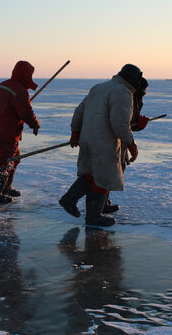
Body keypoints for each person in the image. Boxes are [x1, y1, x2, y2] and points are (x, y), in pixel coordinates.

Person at [59, 64, 143, 226]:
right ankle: (92, 216)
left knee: (91, 173)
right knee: (104, 177)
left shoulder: (99, 87)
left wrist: (75, 132)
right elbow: (119, 123)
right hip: (104, 142)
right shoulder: (123, 92)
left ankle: (70, 199)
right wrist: (131, 143)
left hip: (87, 138)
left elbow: (79, 112)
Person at [0, 61, 40, 204]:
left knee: (15, 158)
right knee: (6, 162)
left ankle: (6, 188)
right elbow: (26, 113)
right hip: (6, 131)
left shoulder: (3, 85)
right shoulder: (19, 91)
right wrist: (35, 125)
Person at [104, 77, 149, 213]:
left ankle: (102, 201)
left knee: (114, 170)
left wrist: (139, 125)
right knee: (109, 171)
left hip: (119, 140)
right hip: (111, 140)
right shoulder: (125, 97)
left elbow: (128, 124)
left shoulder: (134, 99)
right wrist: (131, 144)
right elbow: (120, 123)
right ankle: (99, 204)